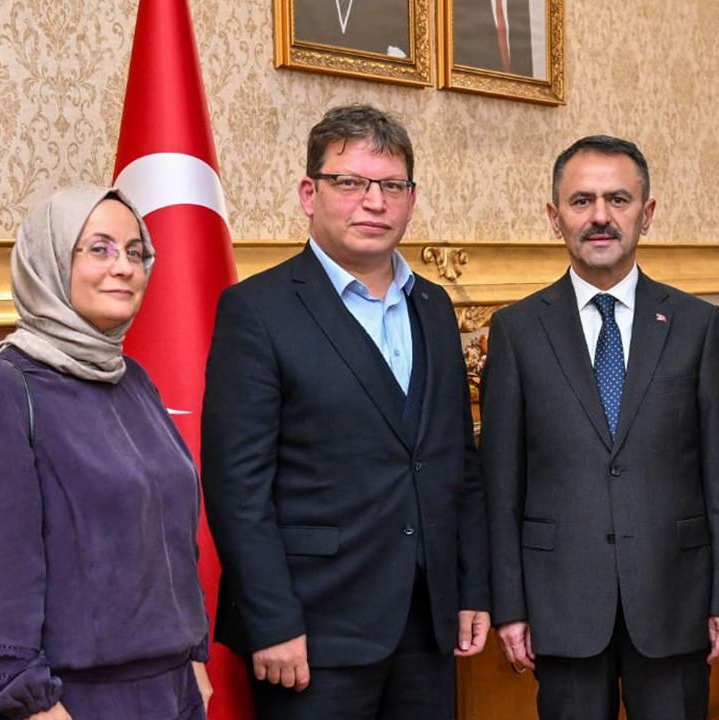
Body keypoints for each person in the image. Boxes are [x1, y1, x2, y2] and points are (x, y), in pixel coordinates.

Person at [200, 104, 490, 720]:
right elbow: (236, 488)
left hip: (427, 623)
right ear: (310, 194)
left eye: (392, 186)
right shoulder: (257, 310)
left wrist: (471, 586)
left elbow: (458, 466)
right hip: (311, 631)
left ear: (411, 199)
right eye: (350, 182)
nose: (374, 202)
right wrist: (272, 621)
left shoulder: (435, 307)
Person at [479, 135, 719, 720]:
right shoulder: (516, 331)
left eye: (618, 200)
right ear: (555, 216)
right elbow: (500, 486)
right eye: (582, 201)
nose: (600, 216)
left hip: (675, 598)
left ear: (646, 214)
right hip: (560, 601)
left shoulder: (698, 325)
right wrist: (509, 604)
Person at [0, 186, 212, 720]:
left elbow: (170, 543)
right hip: (72, 702)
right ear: (49, 261)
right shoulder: (3, 391)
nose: (124, 267)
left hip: (172, 691)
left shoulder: (134, 381)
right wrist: (30, 707)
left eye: (135, 251)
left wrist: (193, 663)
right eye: (100, 249)